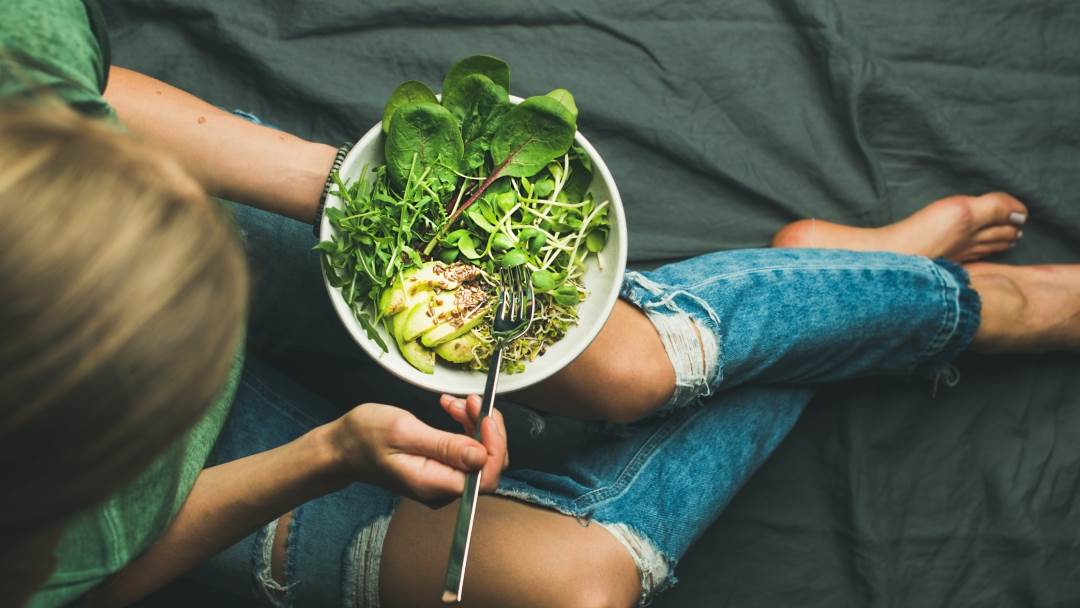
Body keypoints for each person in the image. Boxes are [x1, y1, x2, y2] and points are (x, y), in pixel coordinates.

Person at [7, 2, 1080, 608]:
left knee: (620, 366)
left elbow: (78, 90)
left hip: (174, 211)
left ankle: (973, 307)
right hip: (146, 468)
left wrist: (360, 196)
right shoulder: (46, 535)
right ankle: (837, 285)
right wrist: (325, 450)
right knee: (578, 586)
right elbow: (96, 576)